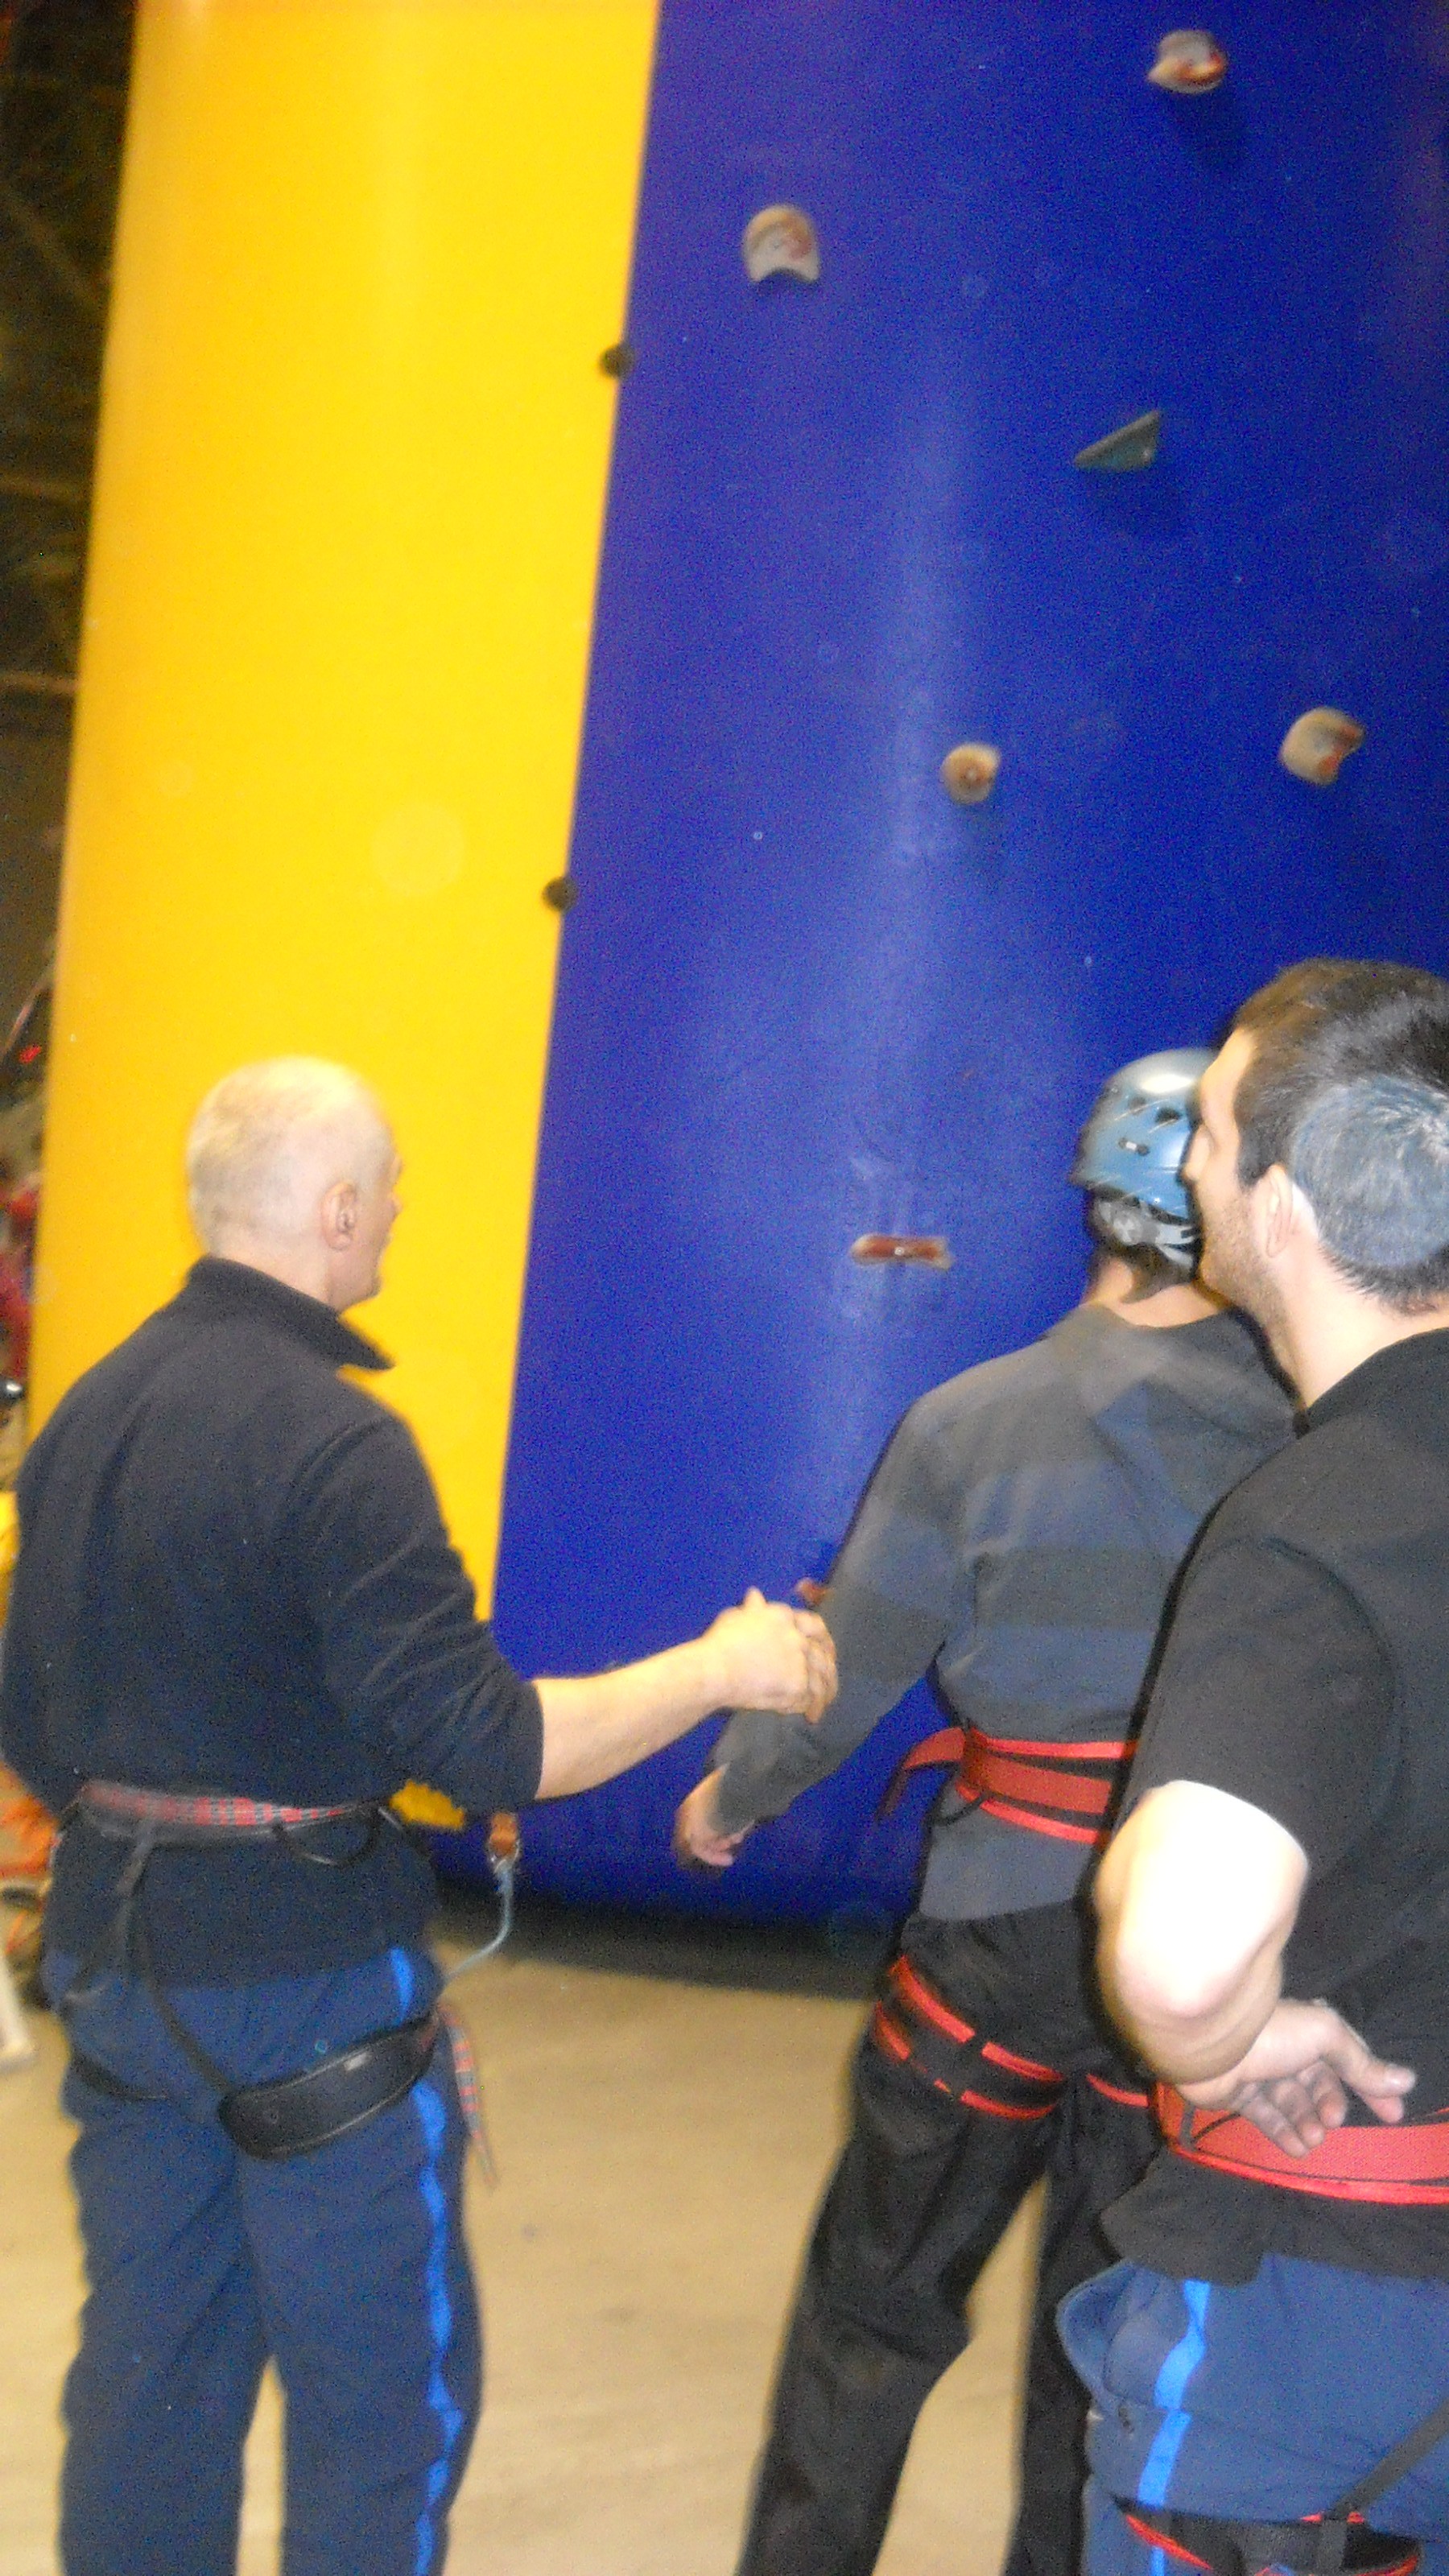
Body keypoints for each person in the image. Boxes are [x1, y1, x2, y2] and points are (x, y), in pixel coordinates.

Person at [0, 1055, 835, 2576]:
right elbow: (493, 1751)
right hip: (308, 1996)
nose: (394, 1213)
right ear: (334, 1210)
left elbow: (30, 1722)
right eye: (384, 1192)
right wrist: (723, 1668)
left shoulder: (87, 1414)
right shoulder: (335, 1445)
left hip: (115, 1976)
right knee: (382, 2410)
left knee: (148, 2391)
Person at [674, 1050, 1294, 2576]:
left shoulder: (970, 1424)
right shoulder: (1302, 1438)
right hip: (1195, 1956)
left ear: (1089, 1200)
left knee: (870, 2321)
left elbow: (851, 1668)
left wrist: (730, 1799)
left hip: (993, 1956)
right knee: (1106, 2345)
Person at [1063, 960, 1449, 2576]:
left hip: (1326, 2332)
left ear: (1282, 1208)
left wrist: (1218, 2039)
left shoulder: (1316, 1526)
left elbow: (1185, 1949)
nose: (1196, 1169)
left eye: (1214, 1135)